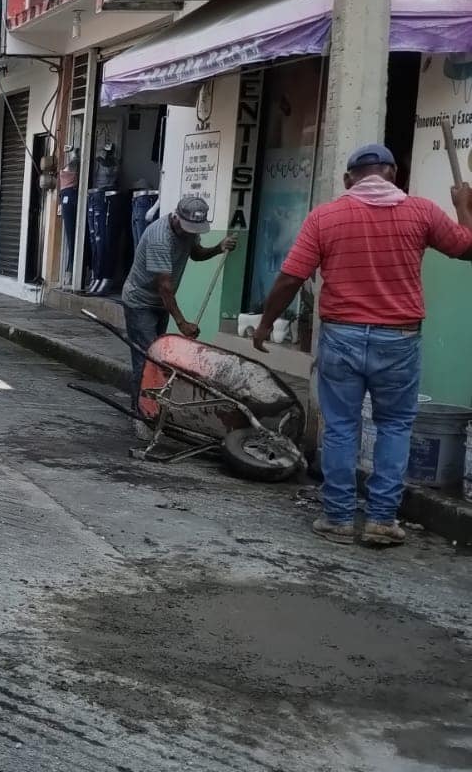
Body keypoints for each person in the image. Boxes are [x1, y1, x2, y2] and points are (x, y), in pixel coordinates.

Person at [253, 144, 472, 547]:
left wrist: (265, 325)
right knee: (395, 426)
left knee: (340, 428)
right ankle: (381, 520)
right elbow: (467, 247)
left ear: (348, 179)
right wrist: (464, 206)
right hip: (400, 339)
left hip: (342, 336)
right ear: (393, 175)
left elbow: (290, 278)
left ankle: (337, 518)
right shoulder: (421, 211)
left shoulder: (327, 216)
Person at [120, 195, 239, 415]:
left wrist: (218, 247)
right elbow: (164, 287)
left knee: (158, 357)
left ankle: (153, 408)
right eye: (188, 227)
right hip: (140, 302)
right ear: (176, 216)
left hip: (161, 304)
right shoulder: (160, 238)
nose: (190, 232)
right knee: (147, 358)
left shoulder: (189, 233)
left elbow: (196, 254)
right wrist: (182, 323)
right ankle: (140, 412)